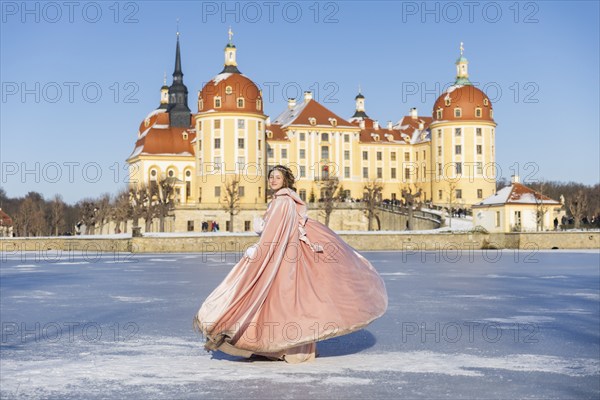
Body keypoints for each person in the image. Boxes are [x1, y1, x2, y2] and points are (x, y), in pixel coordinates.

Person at [194, 165, 388, 363]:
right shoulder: (283, 200)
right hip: (287, 255)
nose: (273, 180)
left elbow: (277, 233)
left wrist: (261, 248)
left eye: (277, 177)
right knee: (287, 302)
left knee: (280, 301)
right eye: (271, 177)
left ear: (285, 180)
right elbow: (279, 229)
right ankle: (287, 347)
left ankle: (278, 346)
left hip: (282, 257)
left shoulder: (283, 201)